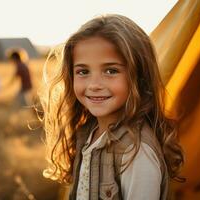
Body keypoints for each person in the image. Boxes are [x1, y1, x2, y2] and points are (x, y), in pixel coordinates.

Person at [40, 14, 184, 200]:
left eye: (111, 71)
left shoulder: (137, 152)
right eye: (83, 71)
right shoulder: (88, 132)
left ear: (138, 76)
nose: (94, 84)